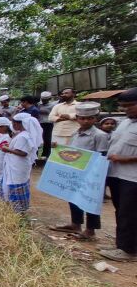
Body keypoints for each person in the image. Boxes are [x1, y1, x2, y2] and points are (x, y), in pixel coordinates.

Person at [52, 103, 109, 241]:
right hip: (76, 171)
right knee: (73, 197)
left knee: (90, 200)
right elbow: (72, 151)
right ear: (77, 118)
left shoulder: (99, 135)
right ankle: (75, 224)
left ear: (95, 118)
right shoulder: (75, 133)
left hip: (92, 173)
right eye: (82, 118)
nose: (85, 121)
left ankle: (90, 230)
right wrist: (59, 148)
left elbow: (102, 155)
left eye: (89, 118)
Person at [99, 87, 137, 262]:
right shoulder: (126, 122)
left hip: (132, 177)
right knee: (121, 211)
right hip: (117, 174)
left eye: (130, 105)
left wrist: (125, 159)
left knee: (129, 213)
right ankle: (121, 245)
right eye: (123, 106)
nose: (126, 109)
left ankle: (129, 250)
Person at [0, 113, 36, 213]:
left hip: (17, 165)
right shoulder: (23, 134)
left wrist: (7, 149)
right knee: (14, 184)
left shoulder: (23, 136)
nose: (13, 125)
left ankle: (17, 210)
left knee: (16, 184)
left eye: (14, 123)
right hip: (16, 164)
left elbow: (23, 153)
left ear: (19, 124)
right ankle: (15, 208)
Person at [37, 91, 56, 160]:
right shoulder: (38, 104)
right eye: (42, 99)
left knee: (47, 139)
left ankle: (46, 155)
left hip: (48, 124)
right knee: (38, 139)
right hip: (39, 123)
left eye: (45, 99)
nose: (43, 100)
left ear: (49, 99)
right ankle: (36, 155)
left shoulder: (53, 105)